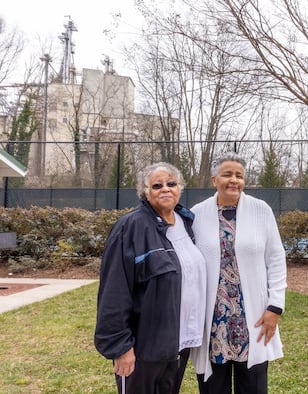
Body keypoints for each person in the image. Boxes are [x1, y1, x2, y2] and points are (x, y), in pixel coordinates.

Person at [94, 162, 207, 394]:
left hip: (178, 343)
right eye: (157, 185)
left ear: (180, 188)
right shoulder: (131, 227)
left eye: (171, 183)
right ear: (145, 192)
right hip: (143, 348)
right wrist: (120, 348)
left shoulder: (186, 224)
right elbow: (114, 290)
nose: (165, 189)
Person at [190, 152, 287, 394]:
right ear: (214, 179)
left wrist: (275, 307)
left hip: (252, 317)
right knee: (214, 387)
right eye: (227, 174)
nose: (234, 180)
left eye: (239, 176)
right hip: (213, 319)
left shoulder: (260, 210)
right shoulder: (196, 214)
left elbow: (276, 258)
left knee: (252, 385)